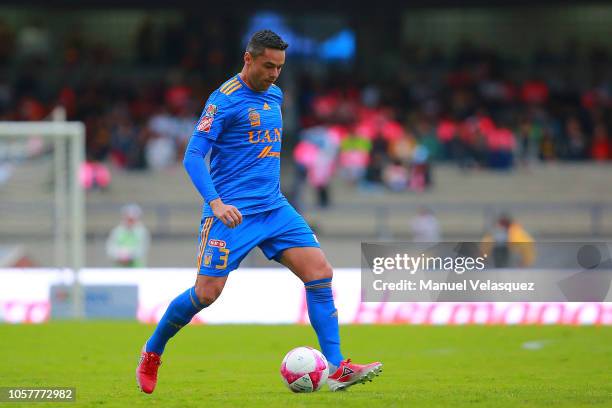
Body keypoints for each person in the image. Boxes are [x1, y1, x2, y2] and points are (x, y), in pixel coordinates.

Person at [136, 30, 382, 394]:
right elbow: (192, 156)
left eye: (280, 67)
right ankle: (152, 351)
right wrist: (216, 203)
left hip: (274, 207)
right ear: (248, 59)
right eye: (268, 65)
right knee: (206, 294)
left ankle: (337, 367)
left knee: (320, 272)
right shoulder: (223, 101)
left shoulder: (276, 94)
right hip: (231, 213)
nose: (274, 74)